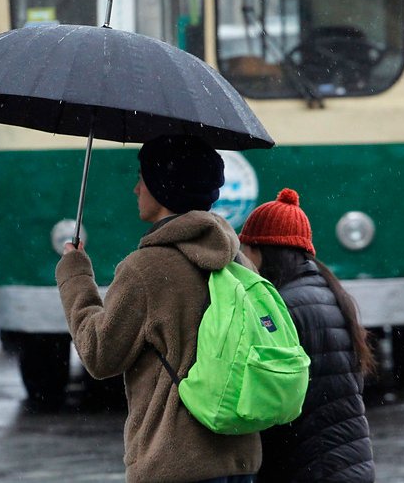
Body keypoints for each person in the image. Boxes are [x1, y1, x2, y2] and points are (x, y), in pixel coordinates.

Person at [56, 136, 260, 483]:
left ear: (163, 188)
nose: (136, 189)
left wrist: (75, 276)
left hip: (175, 462)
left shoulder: (147, 269)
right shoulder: (238, 263)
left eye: (142, 178)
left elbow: (100, 354)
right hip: (238, 459)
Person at [238, 188, 376, 483]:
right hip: (348, 464)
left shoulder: (283, 308)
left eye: (246, 249)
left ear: (263, 250)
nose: (244, 261)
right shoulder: (330, 292)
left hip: (312, 467)